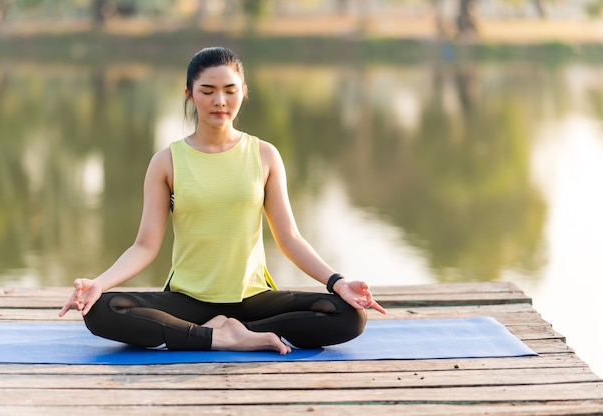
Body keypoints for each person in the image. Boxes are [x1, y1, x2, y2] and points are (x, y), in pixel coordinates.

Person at [59, 46, 386, 355]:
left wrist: (338, 282)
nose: (220, 101)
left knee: (348, 314)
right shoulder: (167, 161)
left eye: (230, 90)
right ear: (189, 94)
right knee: (102, 310)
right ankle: (221, 337)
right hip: (189, 300)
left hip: (254, 298)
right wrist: (97, 284)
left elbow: (289, 238)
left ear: (243, 91)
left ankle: (227, 331)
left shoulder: (264, 155)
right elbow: (145, 245)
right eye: (207, 91)